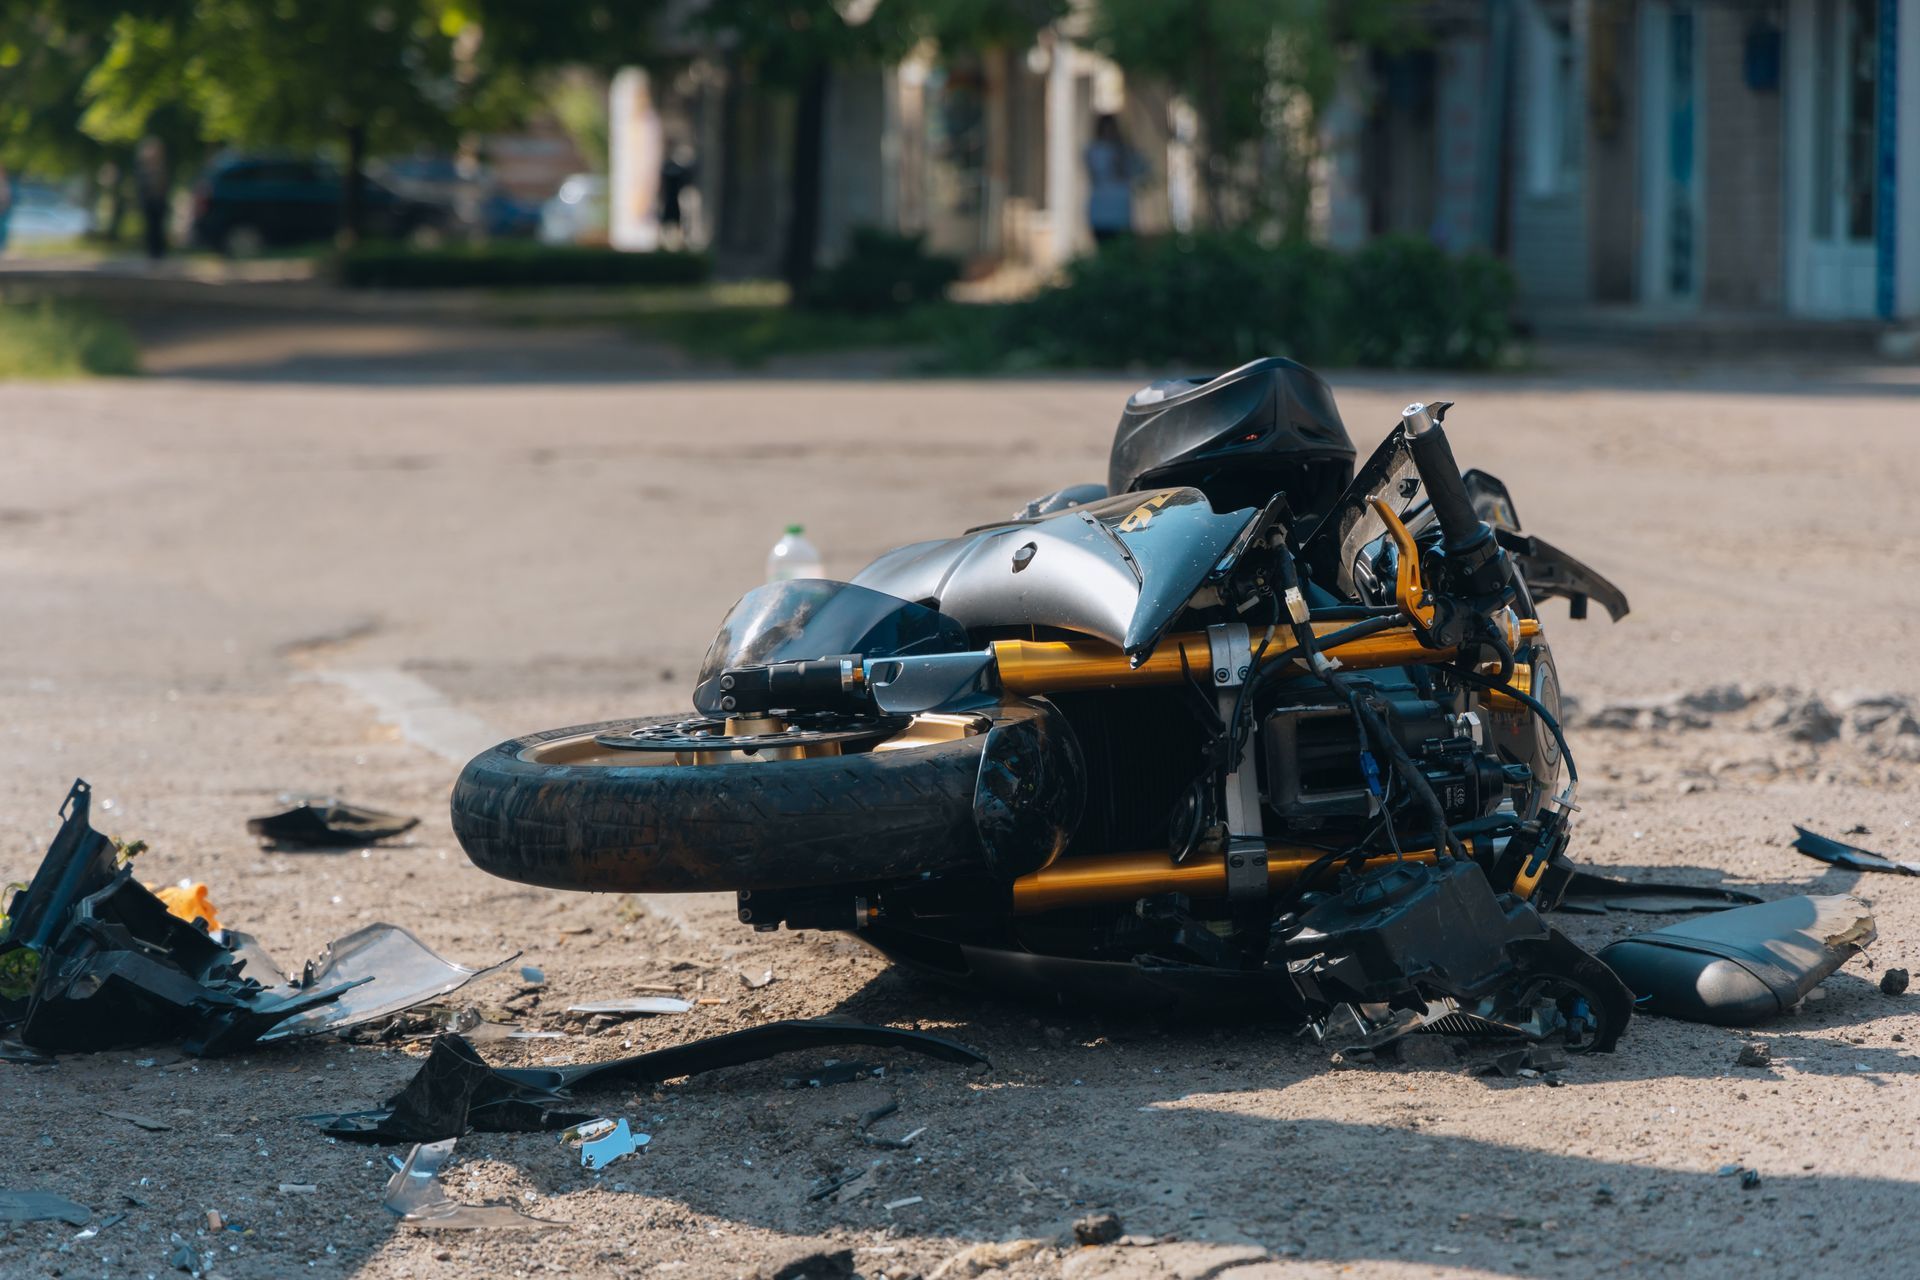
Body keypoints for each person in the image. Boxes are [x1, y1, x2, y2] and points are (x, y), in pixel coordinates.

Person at [1084, 114, 1145, 246]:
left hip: (1120, 213)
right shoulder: (1094, 151)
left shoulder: (1124, 151)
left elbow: (1140, 168)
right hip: (1101, 213)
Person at [136, 137, 168, 260]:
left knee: (158, 226)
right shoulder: (144, 169)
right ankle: (152, 251)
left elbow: (163, 186)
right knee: (151, 226)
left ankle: (159, 251)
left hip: (158, 201)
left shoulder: (160, 167)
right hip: (149, 201)